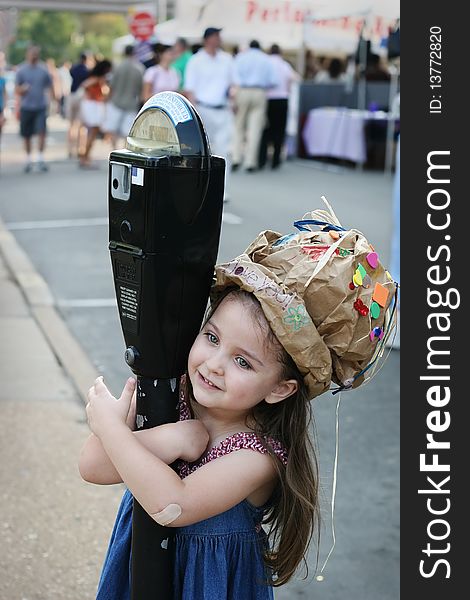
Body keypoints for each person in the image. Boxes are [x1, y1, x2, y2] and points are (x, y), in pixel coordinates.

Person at [79, 201, 398, 599]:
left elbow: (172, 505)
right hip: (140, 575)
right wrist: (174, 439)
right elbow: (93, 467)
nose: (213, 365)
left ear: (280, 388)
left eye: (243, 362)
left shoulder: (256, 457)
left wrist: (112, 427)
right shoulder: (174, 392)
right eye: (211, 337)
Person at [184, 27, 236, 200]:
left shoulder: (227, 59)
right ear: (207, 39)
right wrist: (194, 113)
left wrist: (234, 98)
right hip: (203, 108)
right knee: (202, 151)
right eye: (215, 36)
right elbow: (189, 88)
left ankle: (221, 189)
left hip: (222, 109)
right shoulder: (196, 60)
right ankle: (200, 188)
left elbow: (233, 84)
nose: (218, 39)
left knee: (223, 152)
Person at [232, 40, 278, 172]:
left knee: (239, 126)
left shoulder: (241, 57)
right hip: (259, 92)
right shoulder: (266, 59)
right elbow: (274, 81)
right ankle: (250, 162)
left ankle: (236, 158)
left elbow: (234, 76)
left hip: (243, 91)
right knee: (255, 129)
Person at [258, 44, 301, 171]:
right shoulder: (285, 65)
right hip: (282, 99)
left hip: (268, 99)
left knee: (265, 130)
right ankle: (276, 160)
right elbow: (295, 78)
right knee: (279, 131)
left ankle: (262, 160)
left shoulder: (265, 64)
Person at [14, 45, 54, 173]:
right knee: (27, 135)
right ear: (27, 54)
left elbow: (50, 86)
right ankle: (28, 159)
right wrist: (22, 90)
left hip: (40, 106)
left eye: (36, 54)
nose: (34, 56)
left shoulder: (43, 69)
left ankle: (41, 158)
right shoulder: (21, 70)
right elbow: (16, 90)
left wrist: (53, 102)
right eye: (32, 54)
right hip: (26, 106)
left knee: (41, 132)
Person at [102, 45, 144, 147]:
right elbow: (141, 89)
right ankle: (124, 152)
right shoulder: (139, 68)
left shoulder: (118, 67)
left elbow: (112, 86)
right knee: (128, 132)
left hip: (116, 102)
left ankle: (114, 150)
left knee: (114, 130)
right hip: (131, 104)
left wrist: (107, 99)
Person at [78, 58, 112, 169]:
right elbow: (85, 86)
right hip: (92, 106)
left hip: (94, 105)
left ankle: (85, 156)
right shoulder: (96, 79)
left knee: (92, 133)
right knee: (92, 132)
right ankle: (85, 157)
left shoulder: (98, 78)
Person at [67, 52, 92, 158]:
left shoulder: (74, 69)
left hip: (72, 96)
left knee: (72, 125)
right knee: (82, 126)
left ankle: (70, 149)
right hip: (82, 97)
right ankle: (80, 149)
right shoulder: (87, 71)